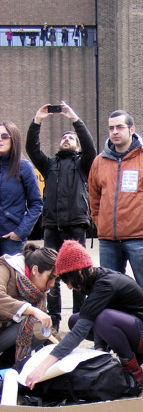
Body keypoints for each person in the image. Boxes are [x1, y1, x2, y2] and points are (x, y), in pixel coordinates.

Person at [23, 240, 143, 390]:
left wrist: (43, 366)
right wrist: (99, 350)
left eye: (68, 280)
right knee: (75, 319)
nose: (69, 286)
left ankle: (134, 372)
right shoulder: (94, 279)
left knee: (102, 318)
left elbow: (82, 330)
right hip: (137, 329)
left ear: (78, 272)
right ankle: (113, 357)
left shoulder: (106, 284)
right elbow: (90, 318)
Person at [25, 102, 96, 332]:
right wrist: (37, 120)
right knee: (50, 273)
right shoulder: (49, 165)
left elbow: (90, 147)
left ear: (76, 144)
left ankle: (78, 320)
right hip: (51, 227)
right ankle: (54, 321)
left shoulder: (83, 164)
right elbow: (32, 149)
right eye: (64, 138)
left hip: (76, 225)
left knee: (78, 273)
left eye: (71, 138)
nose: (67, 140)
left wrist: (74, 121)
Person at [88, 109, 143, 313]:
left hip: (139, 236)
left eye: (120, 127)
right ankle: (114, 338)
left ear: (132, 129)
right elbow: (94, 196)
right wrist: (99, 222)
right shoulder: (99, 161)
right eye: (111, 128)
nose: (115, 131)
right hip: (108, 239)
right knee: (109, 291)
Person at [0, 242, 57, 366]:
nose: (52, 284)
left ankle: (8, 368)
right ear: (35, 270)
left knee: (39, 328)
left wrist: (65, 348)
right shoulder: (5, 267)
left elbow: (47, 327)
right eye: (51, 277)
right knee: (34, 321)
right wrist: (32, 310)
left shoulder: (36, 289)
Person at [0, 121, 43, 257]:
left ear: (14, 139)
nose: (0, 139)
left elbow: (36, 204)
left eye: (4, 136)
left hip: (11, 238)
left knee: (13, 278)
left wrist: (20, 232)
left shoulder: (24, 167)